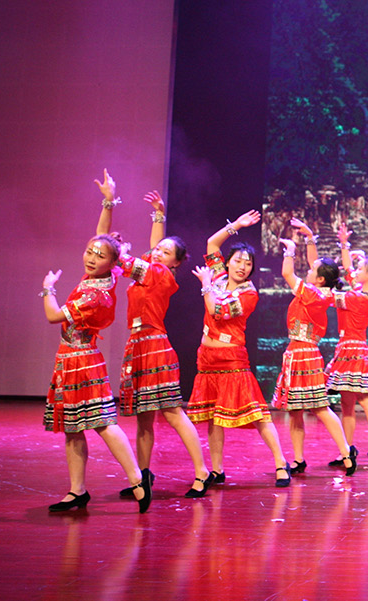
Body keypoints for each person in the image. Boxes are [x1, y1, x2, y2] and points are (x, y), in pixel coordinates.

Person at [43, 170, 148, 513]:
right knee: (73, 428)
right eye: (89, 251)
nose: (91, 257)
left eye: (99, 256)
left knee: (103, 424)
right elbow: (103, 239)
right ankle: (77, 490)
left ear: (113, 264)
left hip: (83, 362)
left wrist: (47, 289)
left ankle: (137, 480)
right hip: (68, 359)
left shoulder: (96, 294)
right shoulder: (99, 276)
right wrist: (108, 200)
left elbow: (53, 316)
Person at [114, 189, 210, 501]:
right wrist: (158, 214)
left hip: (155, 346)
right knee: (144, 420)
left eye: (166, 252)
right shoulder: (150, 267)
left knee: (172, 412)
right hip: (136, 345)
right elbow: (152, 249)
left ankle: (202, 471)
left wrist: (112, 241)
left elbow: (123, 259)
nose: (158, 253)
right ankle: (143, 477)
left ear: (176, 262)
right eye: (157, 250)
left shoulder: (161, 275)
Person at [185, 210, 292, 487]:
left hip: (232, 359)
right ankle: (217, 470)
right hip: (207, 358)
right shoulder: (219, 278)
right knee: (213, 417)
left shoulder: (249, 293)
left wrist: (205, 286)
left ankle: (280, 463)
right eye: (238, 261)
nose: (242, 267)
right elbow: (212, 243)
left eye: (248, 264)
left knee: (256, 413)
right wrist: (237, 225)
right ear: (228, 262)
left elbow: (217, 311)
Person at [274, 225, 355, 476]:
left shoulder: (312, 294)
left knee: (318, 408)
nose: (308, 270)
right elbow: (315, 263)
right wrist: (310, 238)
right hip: (298, 352)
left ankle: (346, 451)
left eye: (312, 271)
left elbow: (287, 272)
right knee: (297, 410)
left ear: (320, 279)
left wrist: (290, 249)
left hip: (303, 354)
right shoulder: (323, 291)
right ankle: (299, 459)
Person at [329, 220, 368, 467]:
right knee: (347, 404)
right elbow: (347, 269)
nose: (355, 270)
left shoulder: (359, 298)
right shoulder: (362, 292)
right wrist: (344, 244)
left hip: (354, 349)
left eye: (360, 268)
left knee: (364, 399)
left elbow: (329, 297)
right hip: (347, 348)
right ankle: (346, 451)